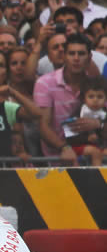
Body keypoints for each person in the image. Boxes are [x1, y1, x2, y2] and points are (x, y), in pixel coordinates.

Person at [34, 33, 94, 162]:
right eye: (71, 53)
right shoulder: (45, 83)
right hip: (55, 161)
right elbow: (43, 126)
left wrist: (99, 124)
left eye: (81, 54)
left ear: (89, 58)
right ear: (64, 56)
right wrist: (64, 148)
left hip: (94, 158)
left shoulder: (96, 84)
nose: (76, 58)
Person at [64, 75, 106, 164]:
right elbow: (69, 138)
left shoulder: (104, 113)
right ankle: (96, 173)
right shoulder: (78, 113)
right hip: (79, 146)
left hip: (100, 146)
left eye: (100, 97)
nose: (95, 100)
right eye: (91, 96)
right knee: (95, 152)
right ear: (84, 98)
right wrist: (87, 138)